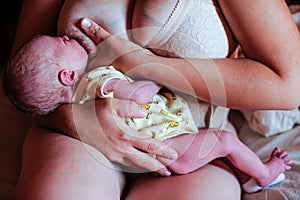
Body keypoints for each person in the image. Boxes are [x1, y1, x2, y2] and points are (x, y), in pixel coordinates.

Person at [9, 0, 300, 199]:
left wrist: (144, 65)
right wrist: (81, 119)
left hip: (187, 129)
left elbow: (289, 87)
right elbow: (26, 84)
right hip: (73, 129)